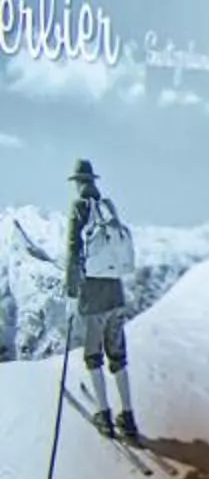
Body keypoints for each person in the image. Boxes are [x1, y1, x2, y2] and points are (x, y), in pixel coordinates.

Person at [61, 159, 139, 444]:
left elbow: (72, 251)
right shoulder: (109, 207)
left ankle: (104, 415)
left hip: (93, 298)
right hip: (116, 294)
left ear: (78, 182)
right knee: (118, 356)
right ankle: (128, 418)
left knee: (93, 356)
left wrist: (71, 290)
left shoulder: (79, 208)